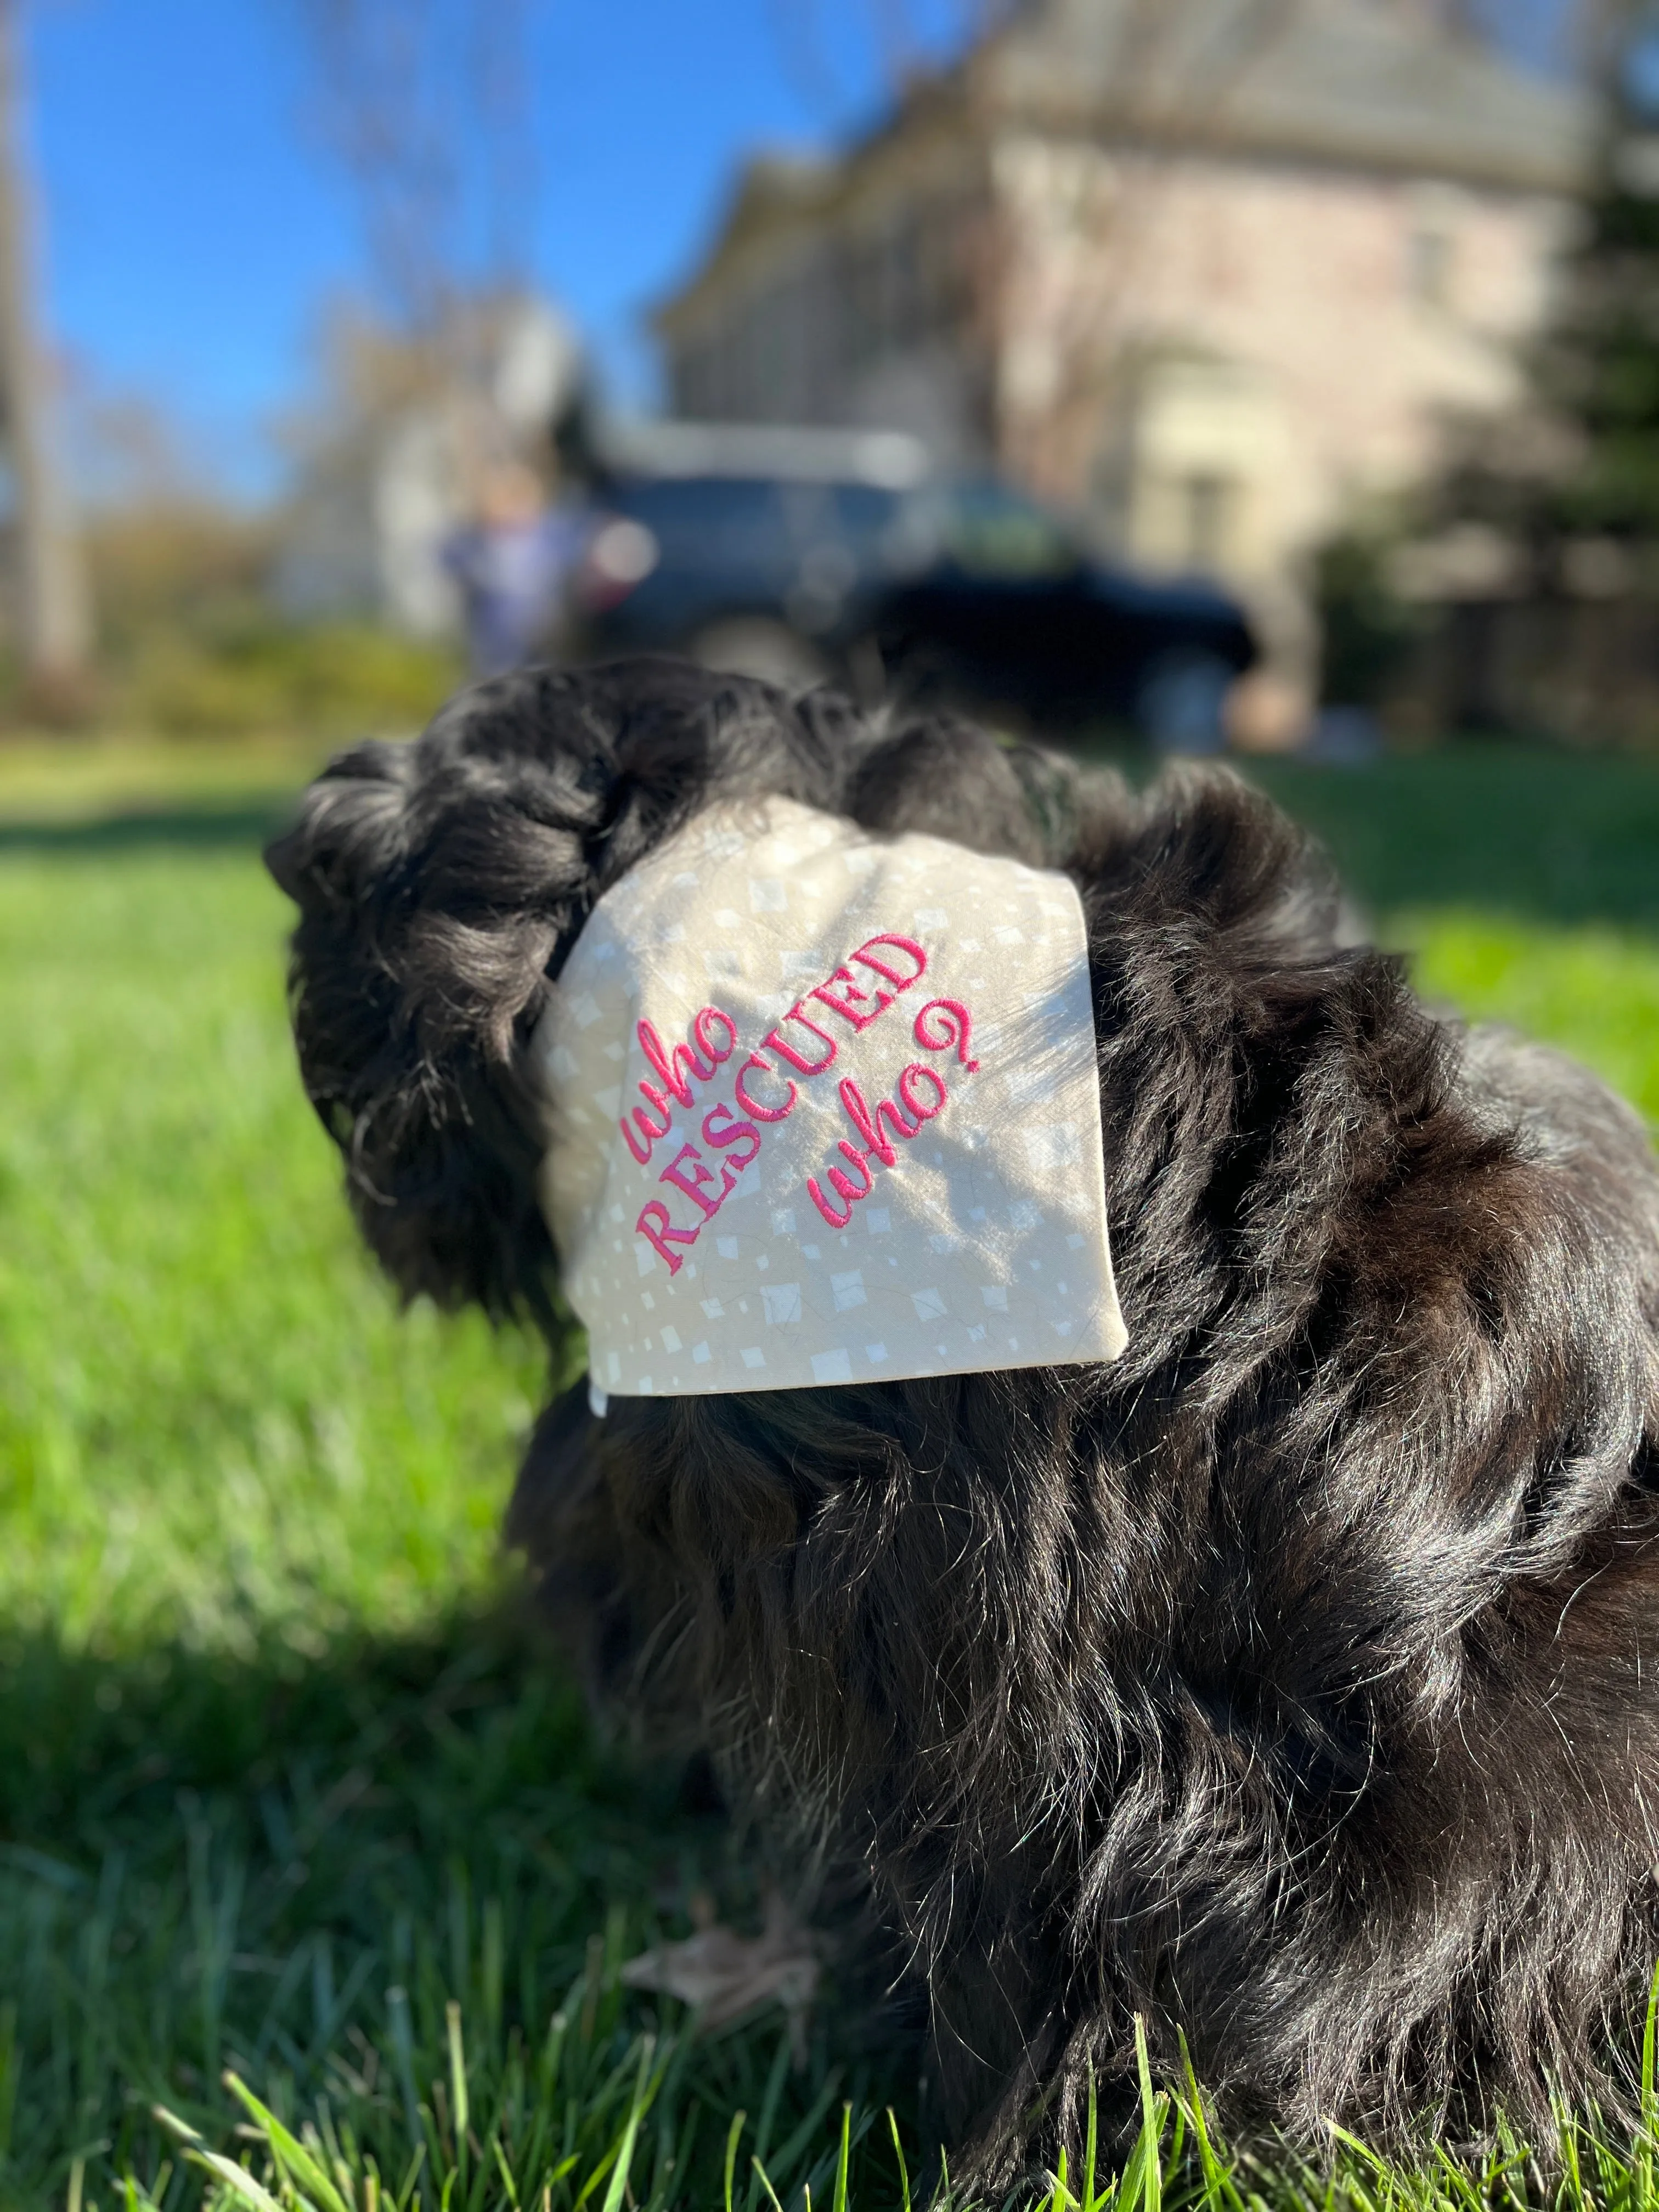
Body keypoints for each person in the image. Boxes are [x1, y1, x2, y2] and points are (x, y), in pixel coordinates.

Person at [442, 459, 588, 678]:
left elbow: (583, 555)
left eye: (518, 498)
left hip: (548, 642)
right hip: (493, 650)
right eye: (501, 499)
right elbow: (449, 561)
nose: (511, 508)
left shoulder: (556, 536)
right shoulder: (471, 544)